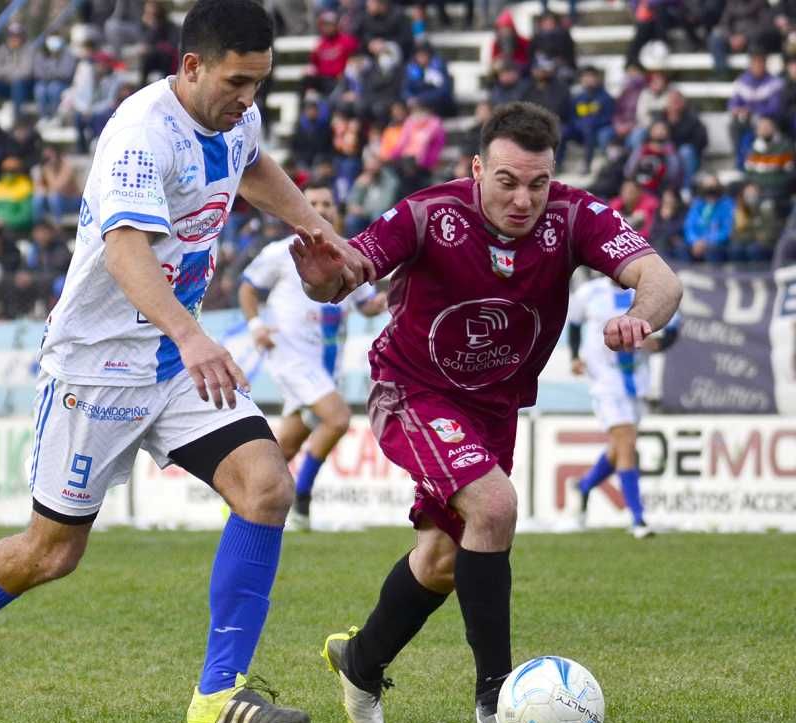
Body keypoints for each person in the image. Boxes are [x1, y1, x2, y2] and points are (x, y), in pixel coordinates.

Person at [0, 2, 373, 721]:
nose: (248, 99)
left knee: (266, 487)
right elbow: (125, 251)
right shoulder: (140, 135)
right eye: (237, 81)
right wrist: (194, 334)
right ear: (191, 66)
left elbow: (252, 164)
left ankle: (217, 696)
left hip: (173, 363)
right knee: (50, 552)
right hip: (95, 367)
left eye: (259, 83)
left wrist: (318, 227)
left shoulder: (237, 119)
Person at [291, 101, 682, 722]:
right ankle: (496, 699)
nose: (523, 198)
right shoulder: (428, 213)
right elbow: (350, 271)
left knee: (445, 560)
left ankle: (361, 662)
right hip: (412, 390)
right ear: (477, 169)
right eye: (506, 181)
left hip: (494, 409)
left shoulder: (575, 215)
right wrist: (321, 280)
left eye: (538, 183)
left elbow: (660, 277)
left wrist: (641, 313)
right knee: (494, 506)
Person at [238, 183, 386, 531]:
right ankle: (302, 502)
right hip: (289, 355)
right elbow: (247, 288)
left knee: (285, 448)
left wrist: (384, 302)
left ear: (338, 210)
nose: (321, 209)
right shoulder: (281, 252)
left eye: (327, 203)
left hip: (323, 365)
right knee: (337, 418)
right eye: (313, 203)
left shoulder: (349, 254)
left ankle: (244, 505)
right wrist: (257, 324)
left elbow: (364, 305)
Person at [569, 275, 679, 538]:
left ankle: (584, 486)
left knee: (619, 449)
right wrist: (574, 356)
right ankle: (638, 519)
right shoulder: (589, 293)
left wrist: (660, 343)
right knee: (627, 442)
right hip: (604, 382)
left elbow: (674, 325)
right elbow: (573, 324)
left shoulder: (648, 292)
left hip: (638, 382)